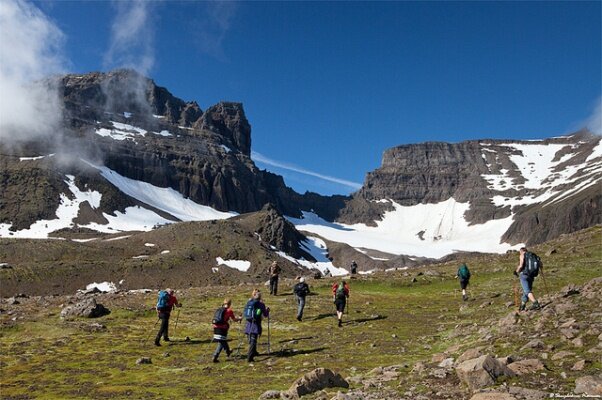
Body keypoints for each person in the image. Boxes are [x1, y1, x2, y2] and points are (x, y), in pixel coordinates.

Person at [212, 298, 241, 363]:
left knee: (222, 341)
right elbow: (234, 319)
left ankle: (228, 352)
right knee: (221, 342)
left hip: (215, 327)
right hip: (223, 328)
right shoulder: (229, 311)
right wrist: (239, 319)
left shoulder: (219, 309)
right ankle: (215, 356)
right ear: (230, 304)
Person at [244, 289, 270, 362]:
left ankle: (254, 352)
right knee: (253, 340)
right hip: (255, 324)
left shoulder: (249, 302)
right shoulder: (261, 305)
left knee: (252, 338)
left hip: (248, 323)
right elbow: (265, 315)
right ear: (260, 297)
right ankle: (250, 357)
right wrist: (267, 310)